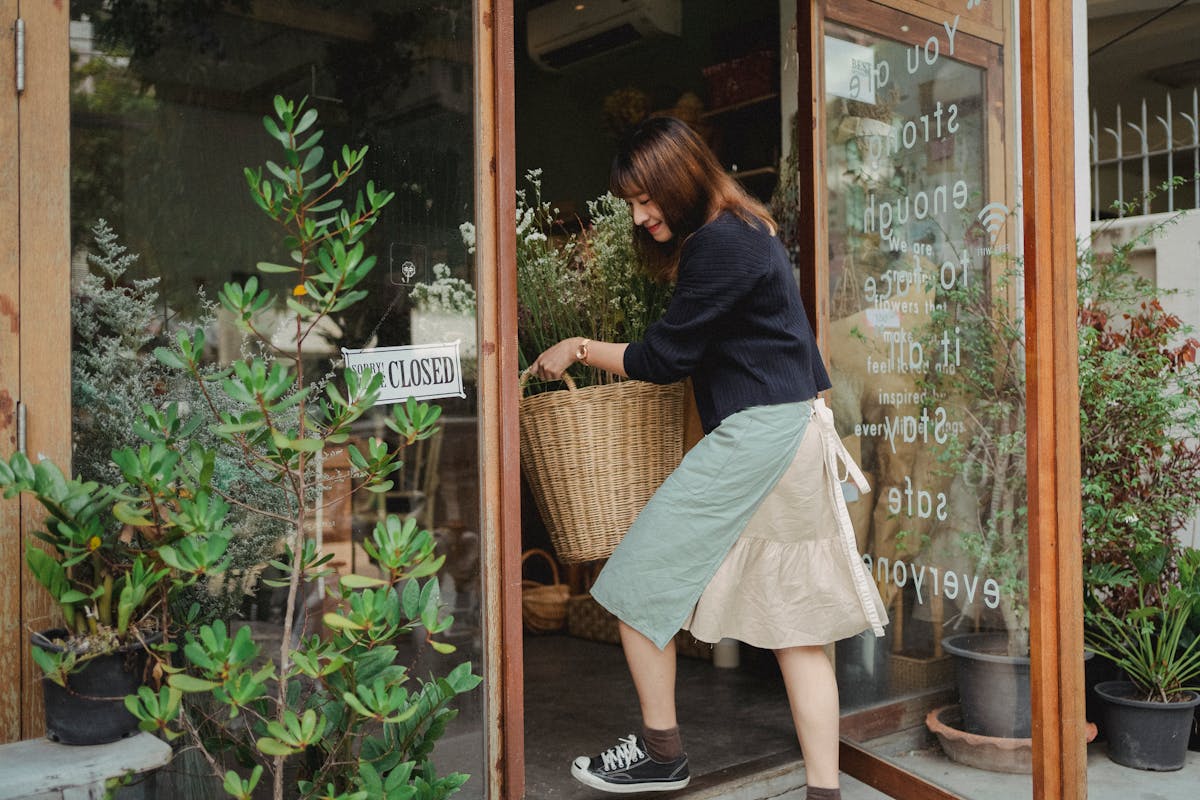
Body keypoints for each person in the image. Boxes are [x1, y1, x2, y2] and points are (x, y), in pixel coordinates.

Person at [529, 116, 888, 799]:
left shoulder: (719, 245)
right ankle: (824, 793)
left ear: (679, 179)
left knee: (635, 585)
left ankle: (663, 755)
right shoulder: (747, 228)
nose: (640, 215)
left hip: (760, 435)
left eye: (645, 199)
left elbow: (665, 358)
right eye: (631, 204)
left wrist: (577, 347)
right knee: (796, 628)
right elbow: (774, 349)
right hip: (795, 430)